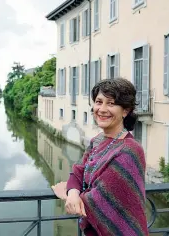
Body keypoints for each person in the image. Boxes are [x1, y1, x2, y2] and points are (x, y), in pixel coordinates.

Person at [52, 78, 148, 236]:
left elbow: (99, 199)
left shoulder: (130, 150)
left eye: (111, 103)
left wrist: (66, 194)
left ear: (125, 110)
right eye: (98, 102)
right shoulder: (97, 140)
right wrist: (73, 193)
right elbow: (78, 172)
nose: (102, 109)